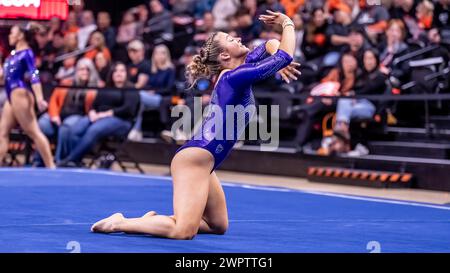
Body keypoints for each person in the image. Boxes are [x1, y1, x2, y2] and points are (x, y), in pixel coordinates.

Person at [91, 10, 300, 239]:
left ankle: (152, 222)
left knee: (217, 225)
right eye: (231, 40)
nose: (238, 39)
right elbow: (284, 56)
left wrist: (276, 48)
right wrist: (287, 23)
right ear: (223, 56)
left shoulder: (240, 68)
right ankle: (121, 222)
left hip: (205, 161)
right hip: (194, 159)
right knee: (183, 231)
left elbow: (271, 44)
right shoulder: (233, 77)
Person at [58, 62, 139, 167]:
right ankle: (75, 160)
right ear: (111, 74)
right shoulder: (106, 88)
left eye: (122, 71)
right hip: (99, 116)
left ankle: (70, 159)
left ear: (126, 73)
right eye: (116, 71)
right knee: (77, 128)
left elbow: (128, 109)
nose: (119, 73)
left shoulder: (130, 89)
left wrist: (106, 114)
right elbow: (94, 104)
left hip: (121, 120)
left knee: (94, 129)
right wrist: (92, 112)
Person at [0, 24, 55, 168]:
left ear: (20, 36)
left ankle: (51, 167)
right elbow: (4, 77)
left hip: (20, 94)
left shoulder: (27, 53)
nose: (9, 36)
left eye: (12, 33)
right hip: (10, 94)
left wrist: (39, 98)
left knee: (33, 131)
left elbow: (34, 75)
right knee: (2, 132)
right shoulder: (12, 54)